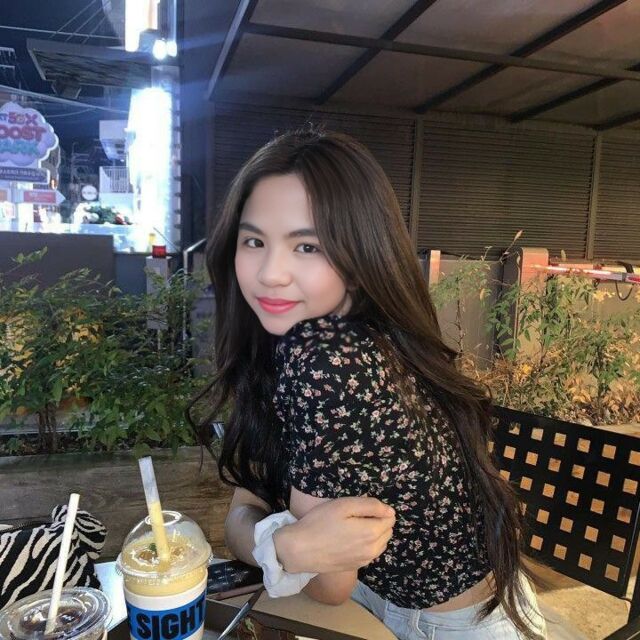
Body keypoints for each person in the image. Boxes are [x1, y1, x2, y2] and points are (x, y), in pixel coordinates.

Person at [191, 129, 547, 639]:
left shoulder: (331, 359)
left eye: (307, 245)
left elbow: (326, 584)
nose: (270, 273)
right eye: (255, 241)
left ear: (359, 260)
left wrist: (281, 546)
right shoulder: (297, 340)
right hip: (385, 603)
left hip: (445, 626)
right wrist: (286, 546)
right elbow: (241, 514)